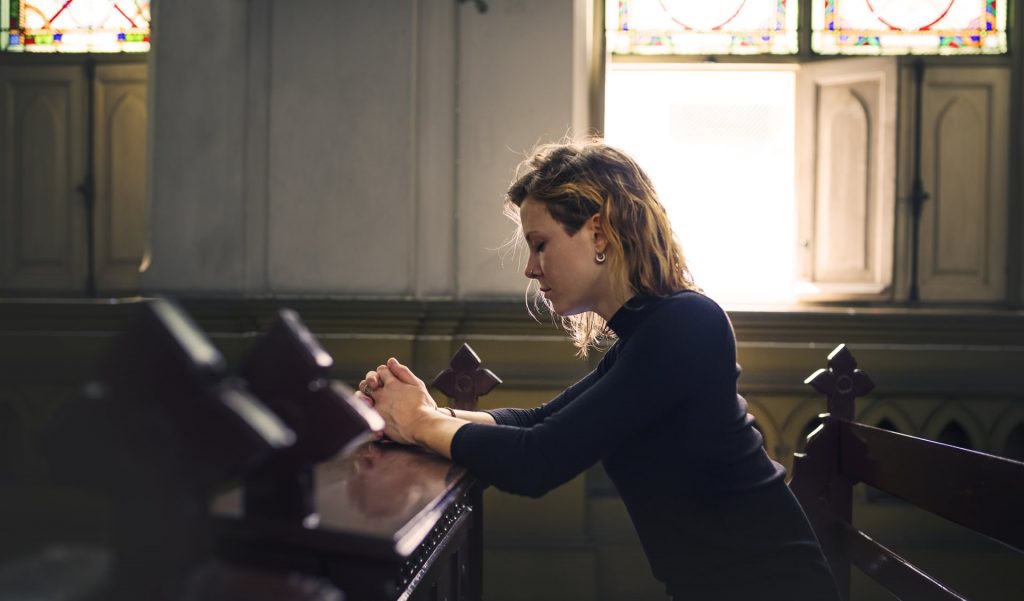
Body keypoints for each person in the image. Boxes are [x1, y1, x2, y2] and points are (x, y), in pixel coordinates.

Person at [357, 140, 840, 600]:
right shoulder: (650, 332)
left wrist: (420, 423)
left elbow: (536, 460)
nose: (530, 268)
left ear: (599, 231)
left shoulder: (687, 323)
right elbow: (534, 422)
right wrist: (416, 412)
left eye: (540, 244)